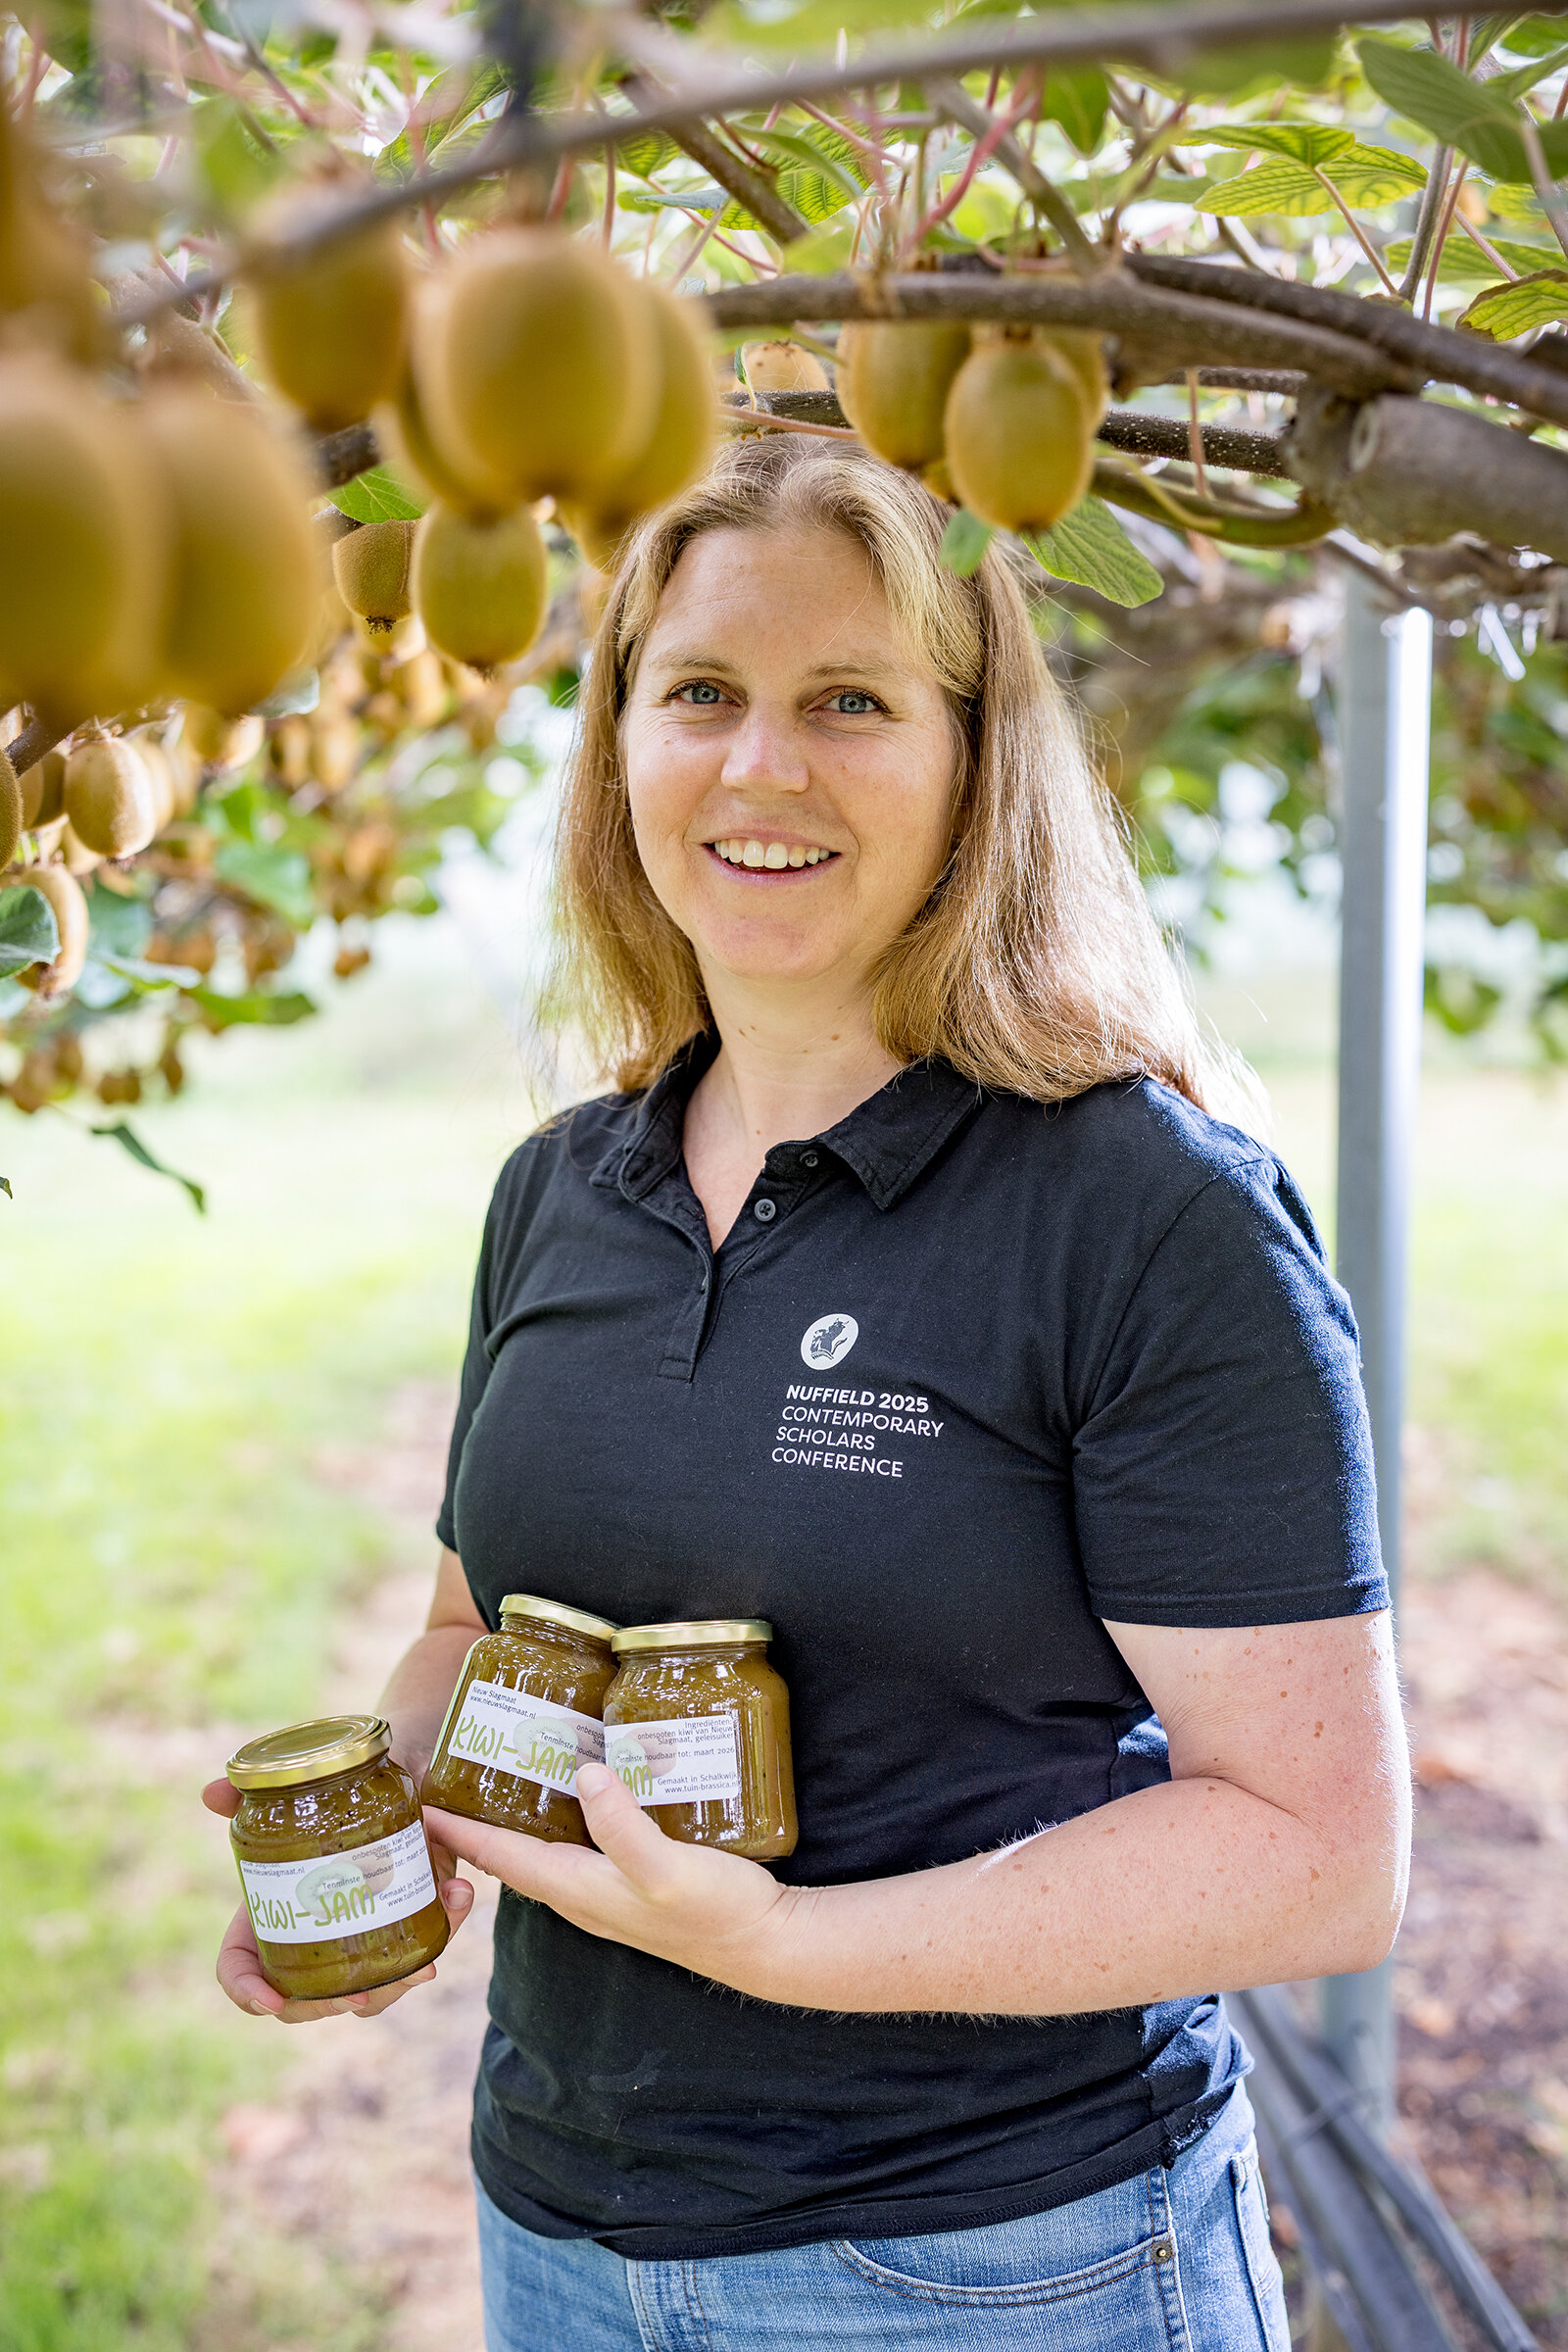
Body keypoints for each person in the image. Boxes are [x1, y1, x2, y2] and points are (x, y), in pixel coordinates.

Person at [205, 436, 1410, 2351]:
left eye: (844, 700)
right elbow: (470, 1625)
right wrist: (394, 1828)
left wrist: (786, 1952)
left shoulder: (1141, 1211)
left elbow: (1317, 1854)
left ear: (970, 759)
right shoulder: (559, 1190)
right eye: (699, 694)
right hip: (560, 2234)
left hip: (996, 2264)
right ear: (618, 748)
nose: (759, 765)